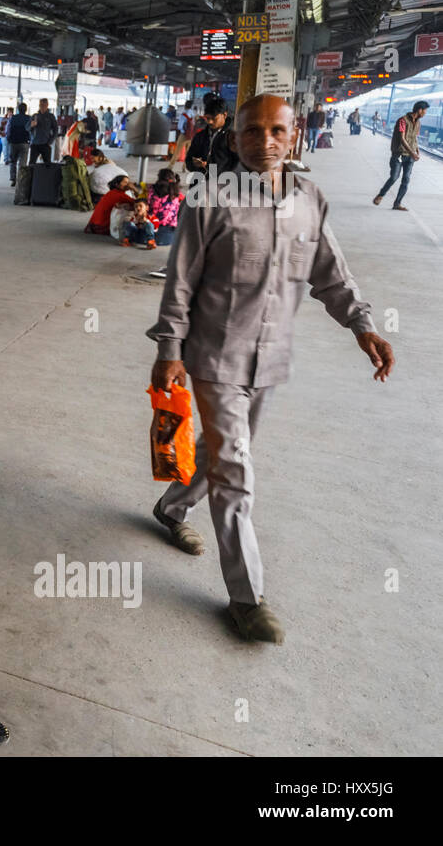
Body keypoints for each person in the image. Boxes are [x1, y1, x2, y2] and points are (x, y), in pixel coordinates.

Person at [148, 93, 395, 644]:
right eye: (252, 131)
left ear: (295, 134)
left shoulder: (309, 199)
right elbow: (180, 280)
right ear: (235, 137)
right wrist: (169, 350)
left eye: (277, 131)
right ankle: (247, 598)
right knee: (235, 470)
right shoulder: (211, 197)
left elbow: (330, 272)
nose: (265, 142)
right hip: (213, 355)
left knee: (219, 452)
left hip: (272, 356)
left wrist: (363, 326)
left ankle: (171, 507)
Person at [373, 101, 428, 212]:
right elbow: (402, 139)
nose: (425, 113)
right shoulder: (402, 120)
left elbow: (415, 137)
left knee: (406, 180)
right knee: (394, 177)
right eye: (425, 110)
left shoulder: (418, 123)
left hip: (410, 157)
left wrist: (417, 150)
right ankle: (381, 194)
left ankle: (397, 203)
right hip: (399, 154)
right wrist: (412, 152)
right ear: (419, 110)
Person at [184, 92, 236, 176]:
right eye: (207, 118)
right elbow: (188, 161)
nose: (210, 122)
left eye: (214, 118)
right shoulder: (200, 136)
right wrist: (195, 164)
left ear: (224, 115)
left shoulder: (232, 137)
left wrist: (209, 167)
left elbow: (237, 165)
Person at [3, 102, 32, 185]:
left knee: (13, 162)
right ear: (26, 110)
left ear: (18, 109)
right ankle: (21, 179)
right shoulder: (29, 118)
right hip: (24, 143)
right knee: (22, 163)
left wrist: (9, 139)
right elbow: (31, 131)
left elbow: (9, 130)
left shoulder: (13, 118)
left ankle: (13, 179)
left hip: (14, 143)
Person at [28, 98, 57, 165]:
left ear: (47, 105)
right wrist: (31, 126)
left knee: (47, 164)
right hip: (35, 143)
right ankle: (32, 175)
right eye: (41, 105)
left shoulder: (50, 116)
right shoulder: (35, 116)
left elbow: (55, 130)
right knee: (31, 164)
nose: (42, 107)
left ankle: (46, 175)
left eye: (44, 105)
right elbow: (27, 128)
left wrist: (50, 141)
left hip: (45, 143)